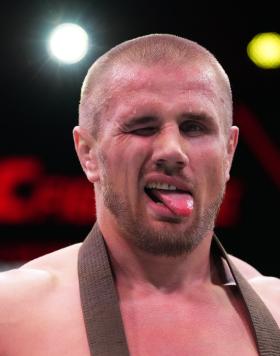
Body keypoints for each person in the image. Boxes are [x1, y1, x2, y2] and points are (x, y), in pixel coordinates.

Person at [0, 34, 279, 356]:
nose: (172, 151)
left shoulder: (276, 310)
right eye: (143, 127)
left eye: (194, 127)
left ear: (229, 152)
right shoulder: (12, 313)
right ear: (88, 154)